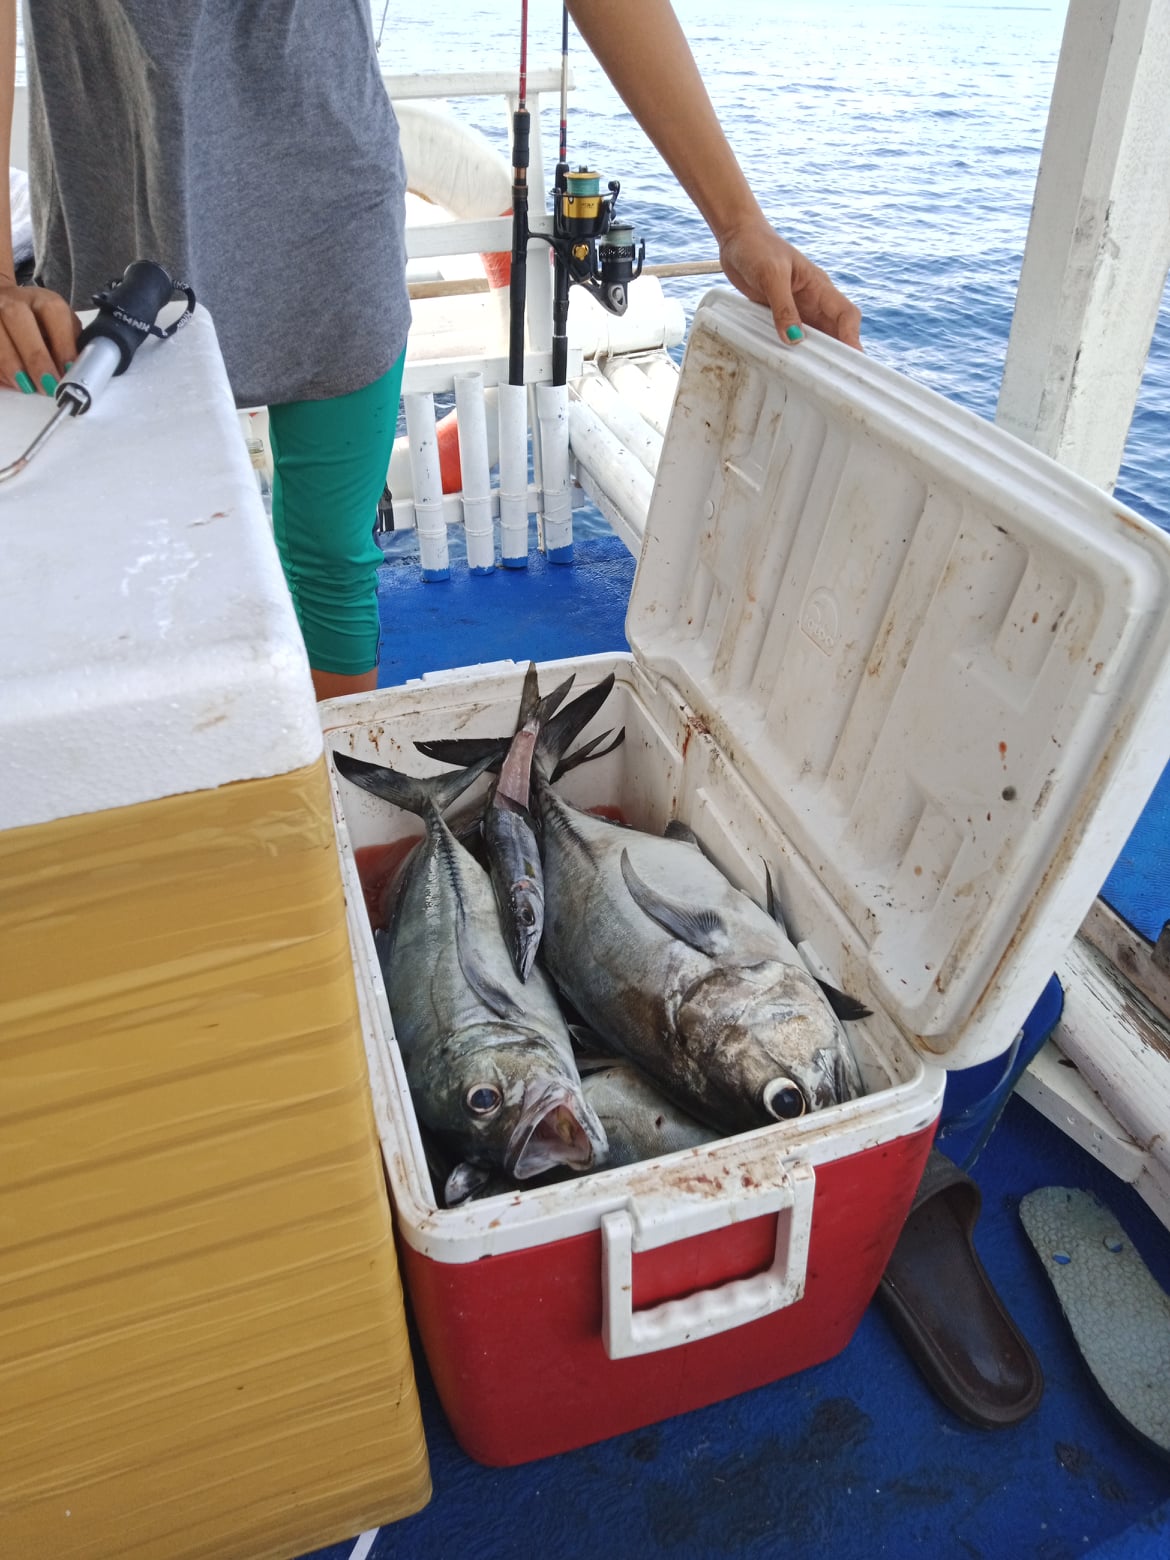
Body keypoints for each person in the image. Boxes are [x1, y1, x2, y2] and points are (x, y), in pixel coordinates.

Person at [0, 1, 862, 701]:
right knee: (139, 576)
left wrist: (739, 222)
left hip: (330, 207)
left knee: (333, 556)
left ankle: (337, 808)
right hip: (118, 203)